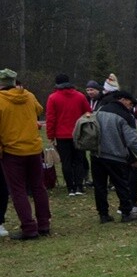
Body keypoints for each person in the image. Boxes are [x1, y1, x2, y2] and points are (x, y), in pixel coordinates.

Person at [0, 69, 51, 239]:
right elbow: (39, 109)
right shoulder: (28, 96)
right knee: (38, 187)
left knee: (18, 190)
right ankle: (44, 224)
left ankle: (29, 228)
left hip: (12, 151)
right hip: (34, 148)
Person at [92, 90, 137, 223]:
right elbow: (132, 141)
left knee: (100, 186)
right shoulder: (125, 116)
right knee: (121, 184)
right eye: (130, 103)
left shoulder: (99, 110)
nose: (130, 106)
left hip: (97, 154)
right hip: (115, 155)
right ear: (123, 100)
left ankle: (103, 214)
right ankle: (126, 212)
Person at [45, 74, 91, 196]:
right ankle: (79, 186)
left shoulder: (53, 98)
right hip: (78, 133)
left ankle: (70, 188)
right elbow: (88, 112)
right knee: (79, 160)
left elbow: (51, 118)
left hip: (61, 135)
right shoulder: (80, 96)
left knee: (66, 162)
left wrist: (50, 135)